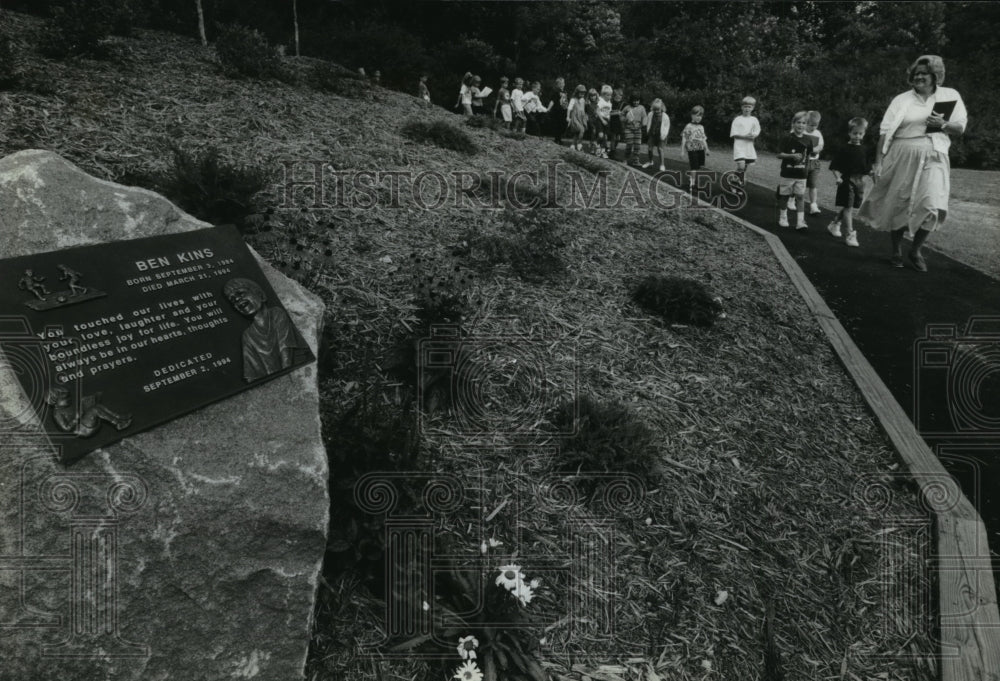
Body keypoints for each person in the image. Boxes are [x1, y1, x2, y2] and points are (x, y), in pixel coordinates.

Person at [857, 55, 967, 271]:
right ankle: (896, 250)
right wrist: (878, 161)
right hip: (902, 154)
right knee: (900, 203)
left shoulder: (949, 95)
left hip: (934, 154)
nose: (919, 76)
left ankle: (915, 250)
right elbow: (885, 131)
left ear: (935, 76)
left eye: (924, 73)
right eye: (916, 73)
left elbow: (960, 127)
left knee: (932, 204)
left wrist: (944, 124)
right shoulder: (902, 99)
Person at [224, 277, 304, 382]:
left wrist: (286, 379)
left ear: (260, 294)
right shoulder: (247, 335)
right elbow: (251, 374)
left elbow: (285, 349)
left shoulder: (277, 313)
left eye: (241, 293)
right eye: (233, 299)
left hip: (286, 375)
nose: (238, 299)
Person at [827, 117, 874, 248]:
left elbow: (867, 168)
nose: (857, 136)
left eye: (860, 133)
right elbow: (834, 166)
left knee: (850, 206)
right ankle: (850, 234)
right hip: (847, 180)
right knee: (848, 208)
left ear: (863, 134)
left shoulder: (864, 150)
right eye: (855, 133)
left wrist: (873, 176)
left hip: (860, 182)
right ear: (849, 133)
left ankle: (835, 223)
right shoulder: (844, 149)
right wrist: (838, 177)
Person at [775, 111, 814, 230]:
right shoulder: (787, 138)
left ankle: (800, 222)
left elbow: (808, 156)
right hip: (787, 173)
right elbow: (779, 154)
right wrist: (791, 156)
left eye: (804, 123)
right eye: (798, 122)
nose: (801, 125)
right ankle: (783, 217)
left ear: (806, 125)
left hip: (801, 174)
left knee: (800, 197)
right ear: (793, 123)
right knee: (785, 197)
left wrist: (807, 169)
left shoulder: (808, 140)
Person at [730, 96, 760, 187]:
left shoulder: (754, 120)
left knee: (745, 166)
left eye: (749, 107)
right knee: (741, 166)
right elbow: (734, 134)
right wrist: (745, 137)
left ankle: (735, 179)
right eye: (745, 106)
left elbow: (757, 130)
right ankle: (738, 178)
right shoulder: (737, 119)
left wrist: (754, 135)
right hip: (739, 146)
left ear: (753, 108)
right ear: (742, 107)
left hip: (749, 146)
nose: (747, 108)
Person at [680, 105, 709, 193]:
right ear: (692, 115)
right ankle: (692, 184)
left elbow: (703, 139)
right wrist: (682, 151)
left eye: (700, 115)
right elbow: (684, 138)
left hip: (700, 149)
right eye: (697, 115)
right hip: (692, 149)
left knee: (698, 166)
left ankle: (692, 179)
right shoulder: (689, 126)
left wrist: (706, 149)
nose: (699, 117)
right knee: (694, 166)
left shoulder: (701, 127)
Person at [642, 98, 670, 171]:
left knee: (660, 149)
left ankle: (662, 164)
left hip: (661, 135)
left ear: (661, 108)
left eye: (658, 109)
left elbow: (667, 127)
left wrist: (663, 136)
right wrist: (647, 131)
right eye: (655, 109)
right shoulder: (651, 114)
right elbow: (648, 123)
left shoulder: (665, 116)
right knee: (650, 149)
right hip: (652, 134)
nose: (656, 111)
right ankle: (650, 161)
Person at [623, 93, 647, 166]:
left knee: (637, 146)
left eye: (637, 100)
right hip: (629, 129)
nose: (636, 102)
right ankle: (625, 159)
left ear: (639, 101)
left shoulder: (642, 108)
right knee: (629, 145)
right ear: (631, 100)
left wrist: (643, 124)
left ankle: (636, 161)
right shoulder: (627, 107)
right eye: (634, 101)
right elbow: (621, 116)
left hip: (638, 129)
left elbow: (644, 117)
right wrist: (626, 120)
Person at [566, 85, 589, 150]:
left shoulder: (583, 100)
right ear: (577, 92)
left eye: (583, 93)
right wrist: (568, 117)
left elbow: (583, 109)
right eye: (581, 93)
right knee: (581, 130)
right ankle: (579, 144)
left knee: (577, 132)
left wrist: (585, 116)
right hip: (575, 117)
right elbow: (569, 108)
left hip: (581, 118)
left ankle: (573, 145)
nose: (582, 94)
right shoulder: (573, 99)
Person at [595, 85, 613, 158]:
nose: (609, 97)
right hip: (600, 119)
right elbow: (597, 111)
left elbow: (609, 112)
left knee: (605, 136)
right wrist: (602, 120)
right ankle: (597, 145)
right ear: (603, 95)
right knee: (601, 135)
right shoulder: (601, 101)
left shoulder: (610, 103)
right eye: (607, 95)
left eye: (610, 95)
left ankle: (603, 151)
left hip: (607, 120)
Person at [608, 88, 625, 159]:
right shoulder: (611, 104)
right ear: (614, 96)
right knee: (613, 138)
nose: (619, 97)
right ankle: (612, 152)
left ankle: (612, 149)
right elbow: (609, 113)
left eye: (620, 96)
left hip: (619, 123)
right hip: (613, 122)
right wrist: (617, 112)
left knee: (618, 138)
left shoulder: (622, 104)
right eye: (617, 96)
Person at [551, 77, 569, 144]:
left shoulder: (565, 92)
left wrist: (568, 107)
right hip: (557, 111)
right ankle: (557, 139)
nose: (562, 84)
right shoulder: (556, 92)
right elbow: (553, 101)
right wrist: (549, 109)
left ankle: (559, 137)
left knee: (563, 125)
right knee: (557, 125)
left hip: (564, 110)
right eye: (560, 83)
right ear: (557, 84)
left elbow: (566, 100)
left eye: (563, 83)